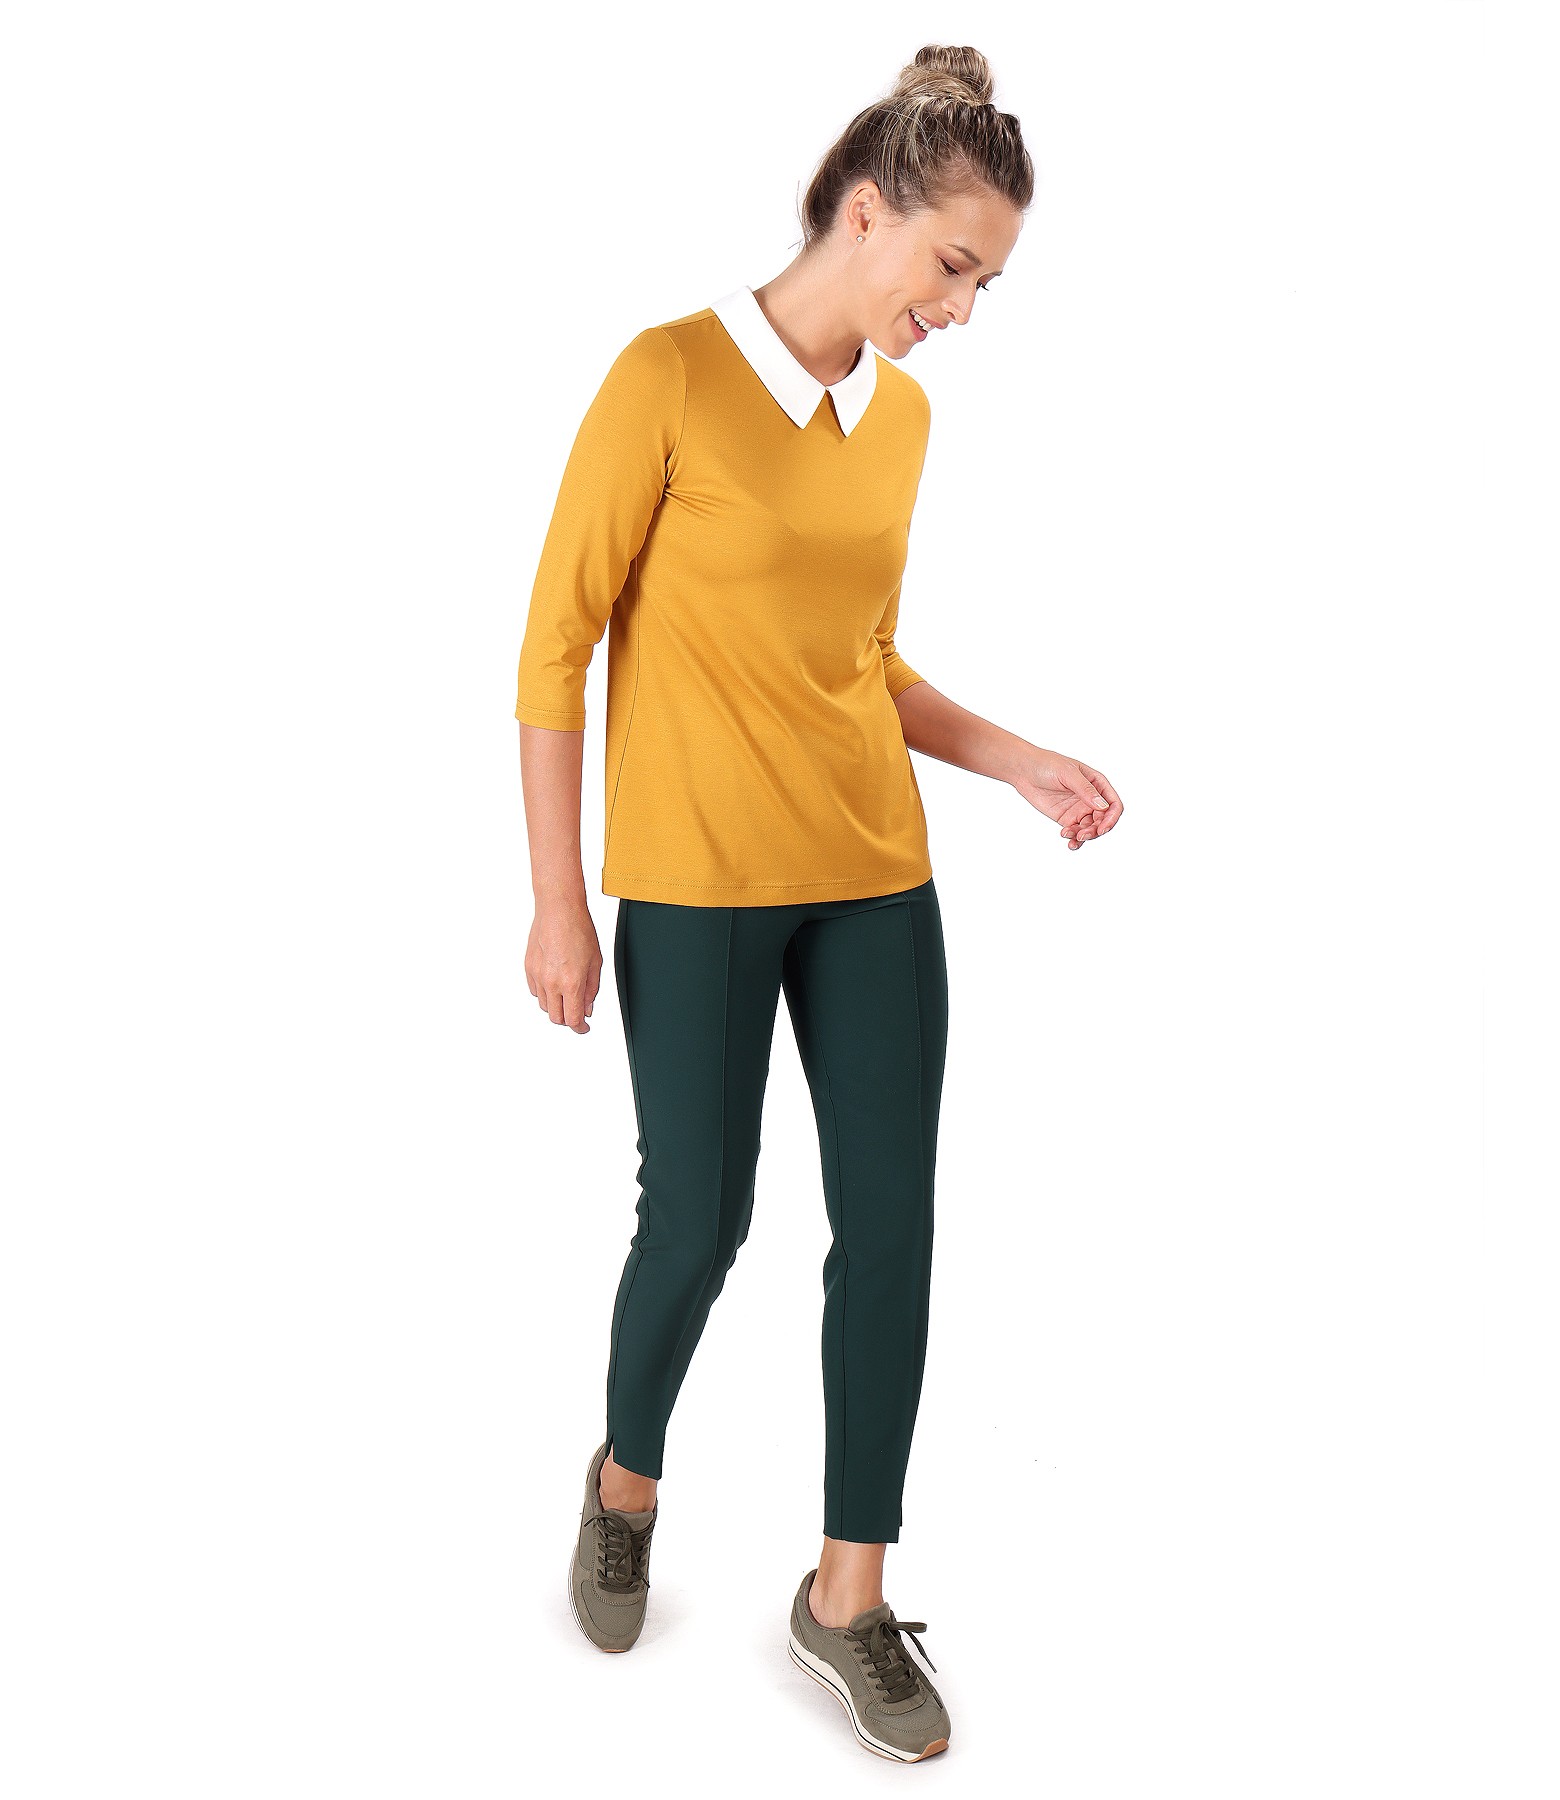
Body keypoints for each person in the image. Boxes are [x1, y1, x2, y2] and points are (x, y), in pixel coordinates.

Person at [514, 43, 1122, 1762]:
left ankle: (847, 1596)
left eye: (987, 284)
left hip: (874, 883)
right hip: (697, 884)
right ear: (867, 212)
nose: (965, 309)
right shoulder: (666, 378)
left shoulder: (900, 421)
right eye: (954, 266)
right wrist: (559, 901)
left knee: (893, 1230)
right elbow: (554, 652)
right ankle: (625, 1482)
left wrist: (1017, 758)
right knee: (698, 1224)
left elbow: (865, 662)